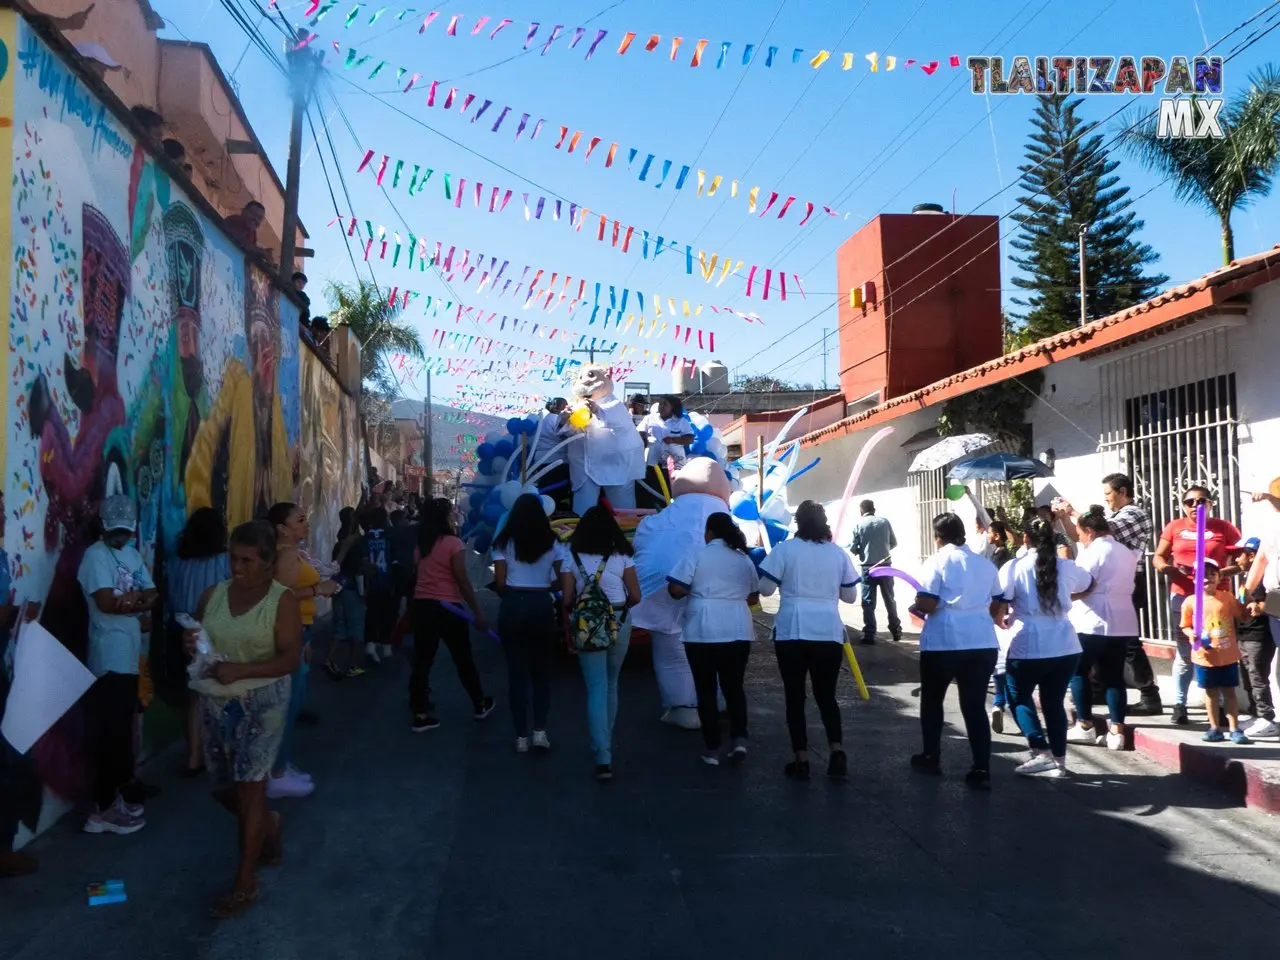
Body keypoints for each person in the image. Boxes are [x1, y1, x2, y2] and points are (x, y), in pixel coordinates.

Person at [186, 521, 303, 919]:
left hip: (264, 702)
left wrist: (242, 671)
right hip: (218, 702)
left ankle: (244, 882)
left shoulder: (281, 600)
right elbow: (203, 648)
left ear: (268, 564)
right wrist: (196, 644)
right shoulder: (212, 596)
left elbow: (289, 659)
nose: (238, 568)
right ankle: (268, 825)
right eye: (234, 559)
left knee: (251, 788)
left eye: (248, 561)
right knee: (225, 790)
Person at [758, 501, 858, 781]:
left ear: (798, 522)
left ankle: (801, 759)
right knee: (827, 696)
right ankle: (836, 749)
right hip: (828, 631)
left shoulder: (785, 550)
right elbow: (850, 596)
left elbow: (765, 589)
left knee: (795, 696)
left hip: (792, 630)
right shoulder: (837, 554)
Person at [78, 495, 158, 835]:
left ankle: (112, 801)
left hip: (127, 654)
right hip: (107, 656)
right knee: (110, 735)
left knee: (120, 733)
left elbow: (152, 593)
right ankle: (102, 810)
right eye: (116, 531)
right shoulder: (96, 556)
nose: (121, 537)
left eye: (126, 531)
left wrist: (133, 601)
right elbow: (107, 603)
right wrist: (132, 603)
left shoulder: (131, 553)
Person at [1055, 473, 1161, 714]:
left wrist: (1072, 511)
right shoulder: (1111, 518)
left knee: (1128, 643)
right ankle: (1099, 690)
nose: (1106, 500)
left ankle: (1149, 693)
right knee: (1109, 643)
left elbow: (1101, 529)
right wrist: (1064, 518)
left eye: (1108, 495)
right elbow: (1082, 535)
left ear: (1123, 491)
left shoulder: (1134, 513)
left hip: (1127, 579)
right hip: (1109, 581)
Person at [910, 513, 1002, 789]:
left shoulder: (937, 561)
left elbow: (927, 602)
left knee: (933, 699)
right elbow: (997, 604)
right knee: (974, 706)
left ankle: (931, 756)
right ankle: (981, 767)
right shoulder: (984, 565)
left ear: (938, 537)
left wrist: (917, 605)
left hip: (944, 641)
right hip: (982, 640)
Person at [998, 519, 1093, 778]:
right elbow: (1089, 583)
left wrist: (1000, 620)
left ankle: (1041, 752)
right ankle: (1059, 761)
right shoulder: (1066, 566)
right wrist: (1066, 599)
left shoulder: (1014, 566)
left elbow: (1000, 600)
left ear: (1026, 539)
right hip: (1065, 643)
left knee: (1018, 697)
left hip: (1028, 642)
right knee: (1053, 702)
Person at [667, 513, 760, 767]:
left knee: (706, 691)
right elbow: (753, 598)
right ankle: (739, 739)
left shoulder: (697, 554)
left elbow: (676, 589)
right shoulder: (743, 559)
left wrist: (695, 592)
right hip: (738, 629)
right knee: (734, 688)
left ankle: (712, 749)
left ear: (709, 532)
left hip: (703, 630)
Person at [560, 506, 641, 779]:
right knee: (611, 683)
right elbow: (637, 595)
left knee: (595, 688)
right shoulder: (622, 555)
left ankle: (602, 752)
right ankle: (605, 741)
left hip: (587, 624)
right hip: (619, 618)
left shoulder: (571, 557)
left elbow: (567, 600)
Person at [266, 503, 338, 799]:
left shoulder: (292, 553)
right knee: (288, 704)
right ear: (282, 528)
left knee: (293, 702)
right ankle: (276, 772)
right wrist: (318, 590)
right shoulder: (285, 556)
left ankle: (281, 765)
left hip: (299, 631)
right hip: (290, 633)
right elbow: (276, 599)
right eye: (300, 520)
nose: (306, 524)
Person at [1153, 485, 1241, 725]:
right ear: (1183, 505)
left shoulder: (1223, 528)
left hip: (1217, 599)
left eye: (1201, 501)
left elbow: (1243, 559)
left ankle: (1222, 707)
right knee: (1186, 651)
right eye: (1190, 502)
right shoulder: (1175, 527)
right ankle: (1180, 704)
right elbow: (1158, 557)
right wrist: (1167, 569)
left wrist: (1218, 573)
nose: (1195, 506)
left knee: (1218, 648)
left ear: (1211, 504)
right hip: (1183, 597)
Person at [409, 499, 494, 732]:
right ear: (444, 517)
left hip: (424, 606)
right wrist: (477, 612)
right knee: (463, 658)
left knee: (422, 661)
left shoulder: (422, 544)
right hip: (449, 608)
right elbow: (461, 579)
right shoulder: (453, 543)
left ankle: (420, 712)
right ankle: (479, 704)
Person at [492, 494, 564, 752]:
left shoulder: (503, 542)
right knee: (542, 673)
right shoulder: (552, 542)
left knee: (516, 674)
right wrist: (548, 586)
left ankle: (520, 736)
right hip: (541, 605)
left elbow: (499, 583)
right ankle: (540, 732)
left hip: (513, 605)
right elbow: (561, 578)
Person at [1065, 507, 1139, 751]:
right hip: (1122, 621)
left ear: (1089, 531)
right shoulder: (1126, 552)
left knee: (1078, 671)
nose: (1079, 540)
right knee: (1114, 676)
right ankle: (1117, 731)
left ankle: (1085, 724)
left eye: (1079, 535)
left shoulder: (1092, 552)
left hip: (1092, 619)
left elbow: (1081, 582)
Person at [168, 508, 231, 776]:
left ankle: (193, 757)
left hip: (182, 629)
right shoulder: (225, 561)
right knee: (221, 692)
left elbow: (170, 595)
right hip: (215, 631)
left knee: (192, 695)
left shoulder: (176, 561)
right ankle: (221, 752)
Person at [1180, 559, 1252, 744]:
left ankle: (1234, 728)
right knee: (1210, 694)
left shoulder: (1227, 597)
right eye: (1202, 575)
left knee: (1230, 693)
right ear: (1194, 579)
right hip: (1204, 657)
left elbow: (1242, 617)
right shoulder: (1190, 602)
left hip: (1227, 656)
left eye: (1212, 574)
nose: (1207, 578)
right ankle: (1214, 727)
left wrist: (1248, 604)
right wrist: (1192, 635)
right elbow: (1185, 626)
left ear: (1219, 577)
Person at [1244, 478, 1280, 738]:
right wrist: (1248, 591)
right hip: (1276, 596)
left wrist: (1267, 496)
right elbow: (1262, 559)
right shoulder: (1273, 526)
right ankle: (1270, 717)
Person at [1234, 537, 1277, 738]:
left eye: (1239, 555)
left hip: (1259, 637)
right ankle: (1255, 713)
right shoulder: (1248, 579)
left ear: (1252, 556)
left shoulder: (1267, 579)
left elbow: (1271, 604)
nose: (1236, 560)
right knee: (1248, 676)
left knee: (1258, 677)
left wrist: (1259, 607)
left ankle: (1267, 718)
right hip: (1245, 633)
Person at [849, 499, 901, 644]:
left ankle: (870, 634)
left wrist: (862, 551)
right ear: (874, 509)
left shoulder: (859, 525)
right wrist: (882, 550)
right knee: (890, 600)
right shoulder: (884, 522)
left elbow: (853, 548)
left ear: (861, 511)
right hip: (885, 565)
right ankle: (896, 630)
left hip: (868, 568)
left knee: (868, 602)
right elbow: (894, 543)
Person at [327, 507, 368, 679]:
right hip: (353, 589)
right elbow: (363, 567)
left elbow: (335, 565)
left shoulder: (338, 543)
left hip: (338, 588)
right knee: (357, 628)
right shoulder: (358, 543)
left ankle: (330, 659)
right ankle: (353, 664)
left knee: (340, 627)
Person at [360, 508, 398, 665]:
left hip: (371, 583)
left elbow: (362, 561)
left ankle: (370, 643)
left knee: (372, 612)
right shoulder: (390, 536)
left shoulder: (364, 538)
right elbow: (396, 559)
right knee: (388, 613)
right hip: (388, 581)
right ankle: (386, 645)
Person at [642, 395, 695, 474]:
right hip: (653, 464)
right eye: (660, 404)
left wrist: (673, 440)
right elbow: (640, 431)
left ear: (672, 407)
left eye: (665, 404)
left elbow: (690, 439)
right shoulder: (649, 418)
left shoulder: (681, 422)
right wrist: (644, 439)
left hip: (676, 465)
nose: (661, 406)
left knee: (673, 486)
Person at [535, 398, 571, 511]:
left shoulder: (545, 419)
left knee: (546, 487)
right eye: (565, 406)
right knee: (556, 489)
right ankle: (554, 511)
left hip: (542, 459)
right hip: (556, 460)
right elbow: (564, 434)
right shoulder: (556, 419)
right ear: (559, 406)